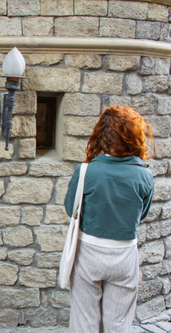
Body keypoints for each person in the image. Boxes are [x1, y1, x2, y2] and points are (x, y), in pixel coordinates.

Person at [64, 106, 154, 332]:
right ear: (135, 137)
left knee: (84, 320)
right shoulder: (145, 175)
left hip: (89, 252)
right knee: (119, 323)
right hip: (125, 254)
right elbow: (141, 215)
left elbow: (70, 209)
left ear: (100, 137)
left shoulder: (86, 171)